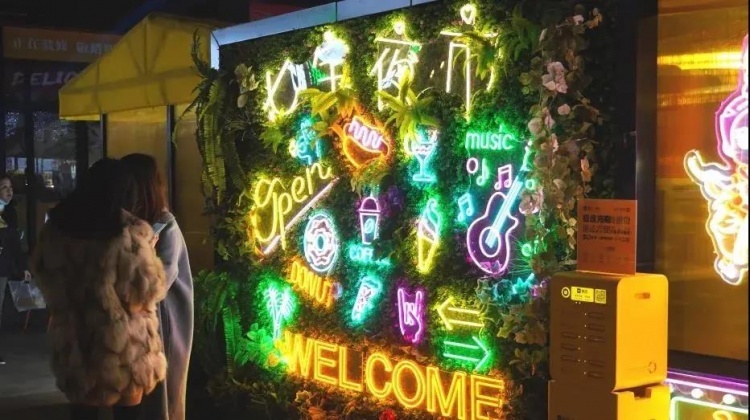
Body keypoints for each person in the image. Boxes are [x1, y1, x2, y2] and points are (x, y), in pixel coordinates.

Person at [31, 158, 168, 420]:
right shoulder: (131, 232)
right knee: (129, 414)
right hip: (125, 347)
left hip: (76, 343)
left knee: (82, 412)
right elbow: (148, 291)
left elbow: (46, 281)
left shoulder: (56, 230)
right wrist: (150, 253)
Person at [122, 153, 194, 420]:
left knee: (162, 394)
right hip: (139, 323)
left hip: (164, 323)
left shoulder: (165, 225)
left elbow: (160, 284)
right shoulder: (127, 222)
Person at [0, 173, 31, 365]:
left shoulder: (10, 213)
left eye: (10, 187)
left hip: (3, 267)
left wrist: (22, 267)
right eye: (4, 187)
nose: (9, 191)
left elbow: (15, 244)